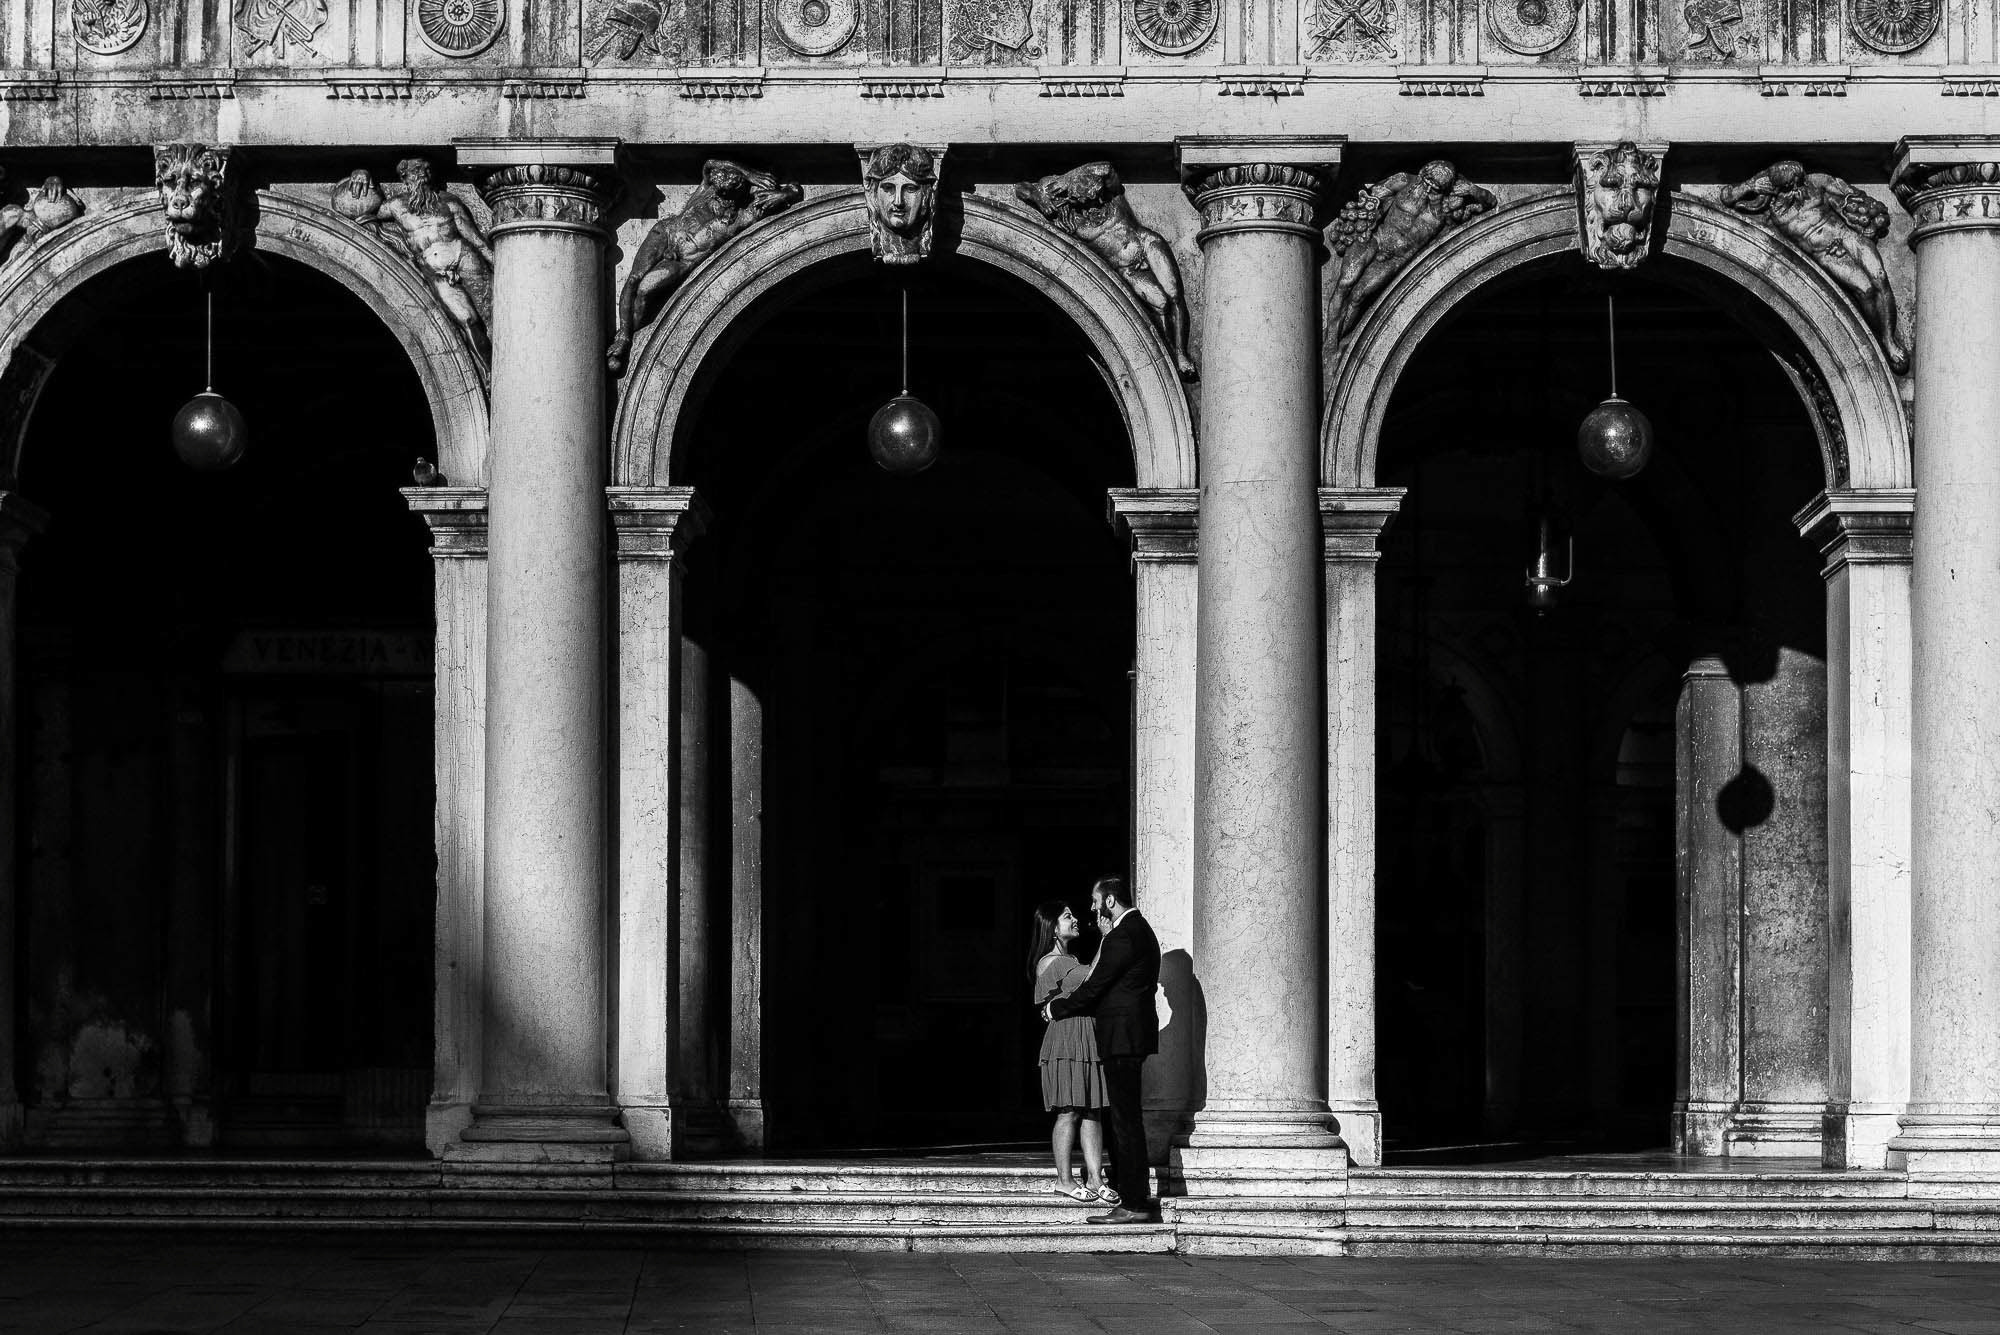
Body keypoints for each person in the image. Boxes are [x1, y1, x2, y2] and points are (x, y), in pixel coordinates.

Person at [1043, 876, 1160, 1225]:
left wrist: (1057, 1009)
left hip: (1122, 1038)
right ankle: (1135, 1197)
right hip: (1126, 1037)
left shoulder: (1124, 934)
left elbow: (1095, 986)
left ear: (1110, 901)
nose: (1092, 909)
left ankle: (1135, 1202)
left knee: (1125, 1122)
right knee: (1125, 1119)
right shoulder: (1137, 931)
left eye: (1096, 902)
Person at [1027, 901, 1114, 1205]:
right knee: (1069, 1110)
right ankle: (1064, 1180)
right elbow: (1092, 977)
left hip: (1086, 1035)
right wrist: (1107, 937)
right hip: (1065, 1039)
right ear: (1052, 927)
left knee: (1092, 1109)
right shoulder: (1050, 961)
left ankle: (1095, 1177)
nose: (1075, 919)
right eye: (1067, 916)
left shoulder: (1070, 958)